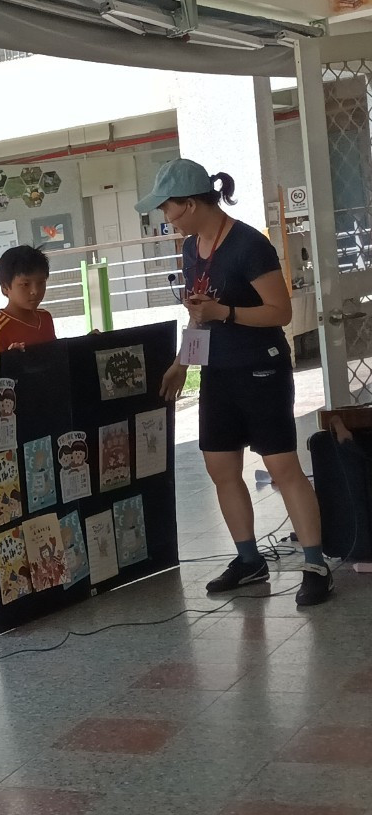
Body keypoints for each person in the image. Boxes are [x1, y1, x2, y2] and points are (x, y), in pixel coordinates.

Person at [138, 157, 333, 606]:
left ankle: (315, 564)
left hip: (261, 369)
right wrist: (182, 362)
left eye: (166, 208)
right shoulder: (192, 249)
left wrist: (225, 312)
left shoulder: (248, 244)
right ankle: (249, 560)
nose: (165, 218)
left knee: (282, 467)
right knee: (220, 468)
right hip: (218, 372)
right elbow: (199, 314)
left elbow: (280, 312)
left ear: (189, 204)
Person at [0, 245, 56, 353]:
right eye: (25, 284)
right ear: (5, 288)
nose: (35, 291)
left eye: (41, 282)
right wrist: (11, 359)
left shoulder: (45, 318)